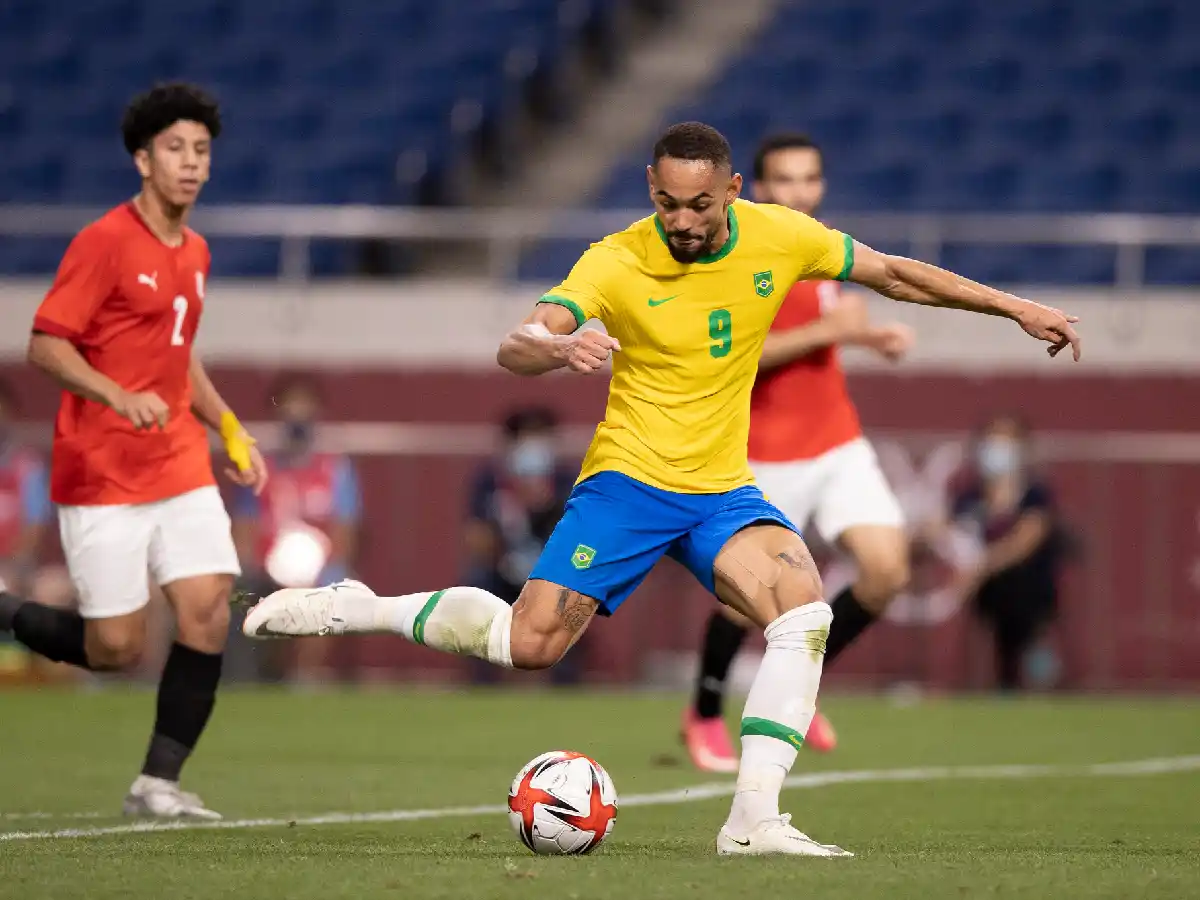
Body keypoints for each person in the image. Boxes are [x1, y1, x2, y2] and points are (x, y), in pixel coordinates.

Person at [244, 122, 1080, 857]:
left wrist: (1014, 307)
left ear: (732, 192)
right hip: (629, 485)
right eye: (669, 203)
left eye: (700, 205)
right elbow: (518, 343)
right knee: (530, 646)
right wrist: (556, 347)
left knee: (804, 610)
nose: (683, 220)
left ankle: (753, 822)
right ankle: (363, 605)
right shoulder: (615, 258)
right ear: (652, 187)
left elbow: (894, 275)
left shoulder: (779, 235)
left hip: (721, 490)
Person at [0, 83, 268, 819]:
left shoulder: (197, 251)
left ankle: (158, 783)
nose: (190, 163)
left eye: (201, 151)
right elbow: (45, 343)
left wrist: (230, 427)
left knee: (208, 608)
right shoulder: (104, 242)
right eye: (175, 149)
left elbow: (177, 357)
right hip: (101, 470)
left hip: (177, 460)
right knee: (116, 648)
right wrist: (115, 393)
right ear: (143, 160)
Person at [683, 133, 914, 772]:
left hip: (836, 441)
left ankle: (799, 689)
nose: (797, 192)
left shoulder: (819, 248)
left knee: (887, 571)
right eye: (783, 181)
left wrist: (867, 338)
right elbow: (723, 357)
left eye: (808, 180)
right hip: (763, 451)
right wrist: (833, 331)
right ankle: (703, 713)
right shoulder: (733, 258)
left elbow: (824, 335)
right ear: (756, 189)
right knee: (742, 597)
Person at [230, 374, 361, 683]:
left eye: (305, 405)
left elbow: (346, 533)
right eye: (290, 405)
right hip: (264, 571)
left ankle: (305, 677)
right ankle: (246, 678)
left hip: (318, 572)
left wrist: (324, 568)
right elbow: (243, 531)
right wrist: (256, 568)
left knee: (328, 592)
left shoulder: (336, 471)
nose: (297, 414)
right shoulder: (258, 469)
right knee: (236, 593)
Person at [950, 415, 1067, 691]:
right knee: (999, 595)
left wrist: (983, 566)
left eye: (1006, 440)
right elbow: (952, 532)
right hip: (986, 590)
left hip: (1029, 585)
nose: (997, 448)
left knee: (1018, 591)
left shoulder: (1035, 495)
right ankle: (1007, 677)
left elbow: (1026, 540)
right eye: (992, 439)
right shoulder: (970, 497)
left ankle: (1032, 666)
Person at [463, 407, 577, 685]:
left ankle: (562, 680)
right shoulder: (490, 481)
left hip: (551, 571)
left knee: (576, 597)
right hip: (502, 567)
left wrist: (545, 506)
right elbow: (476, 538)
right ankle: (485, 682)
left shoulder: (567, 481)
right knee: (476, 586)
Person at [0, 379, 75, 684]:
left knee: (51, 591)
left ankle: (54, 678)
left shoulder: (26, 466)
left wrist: (14, 567)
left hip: (20, 569)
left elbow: (33, 528)